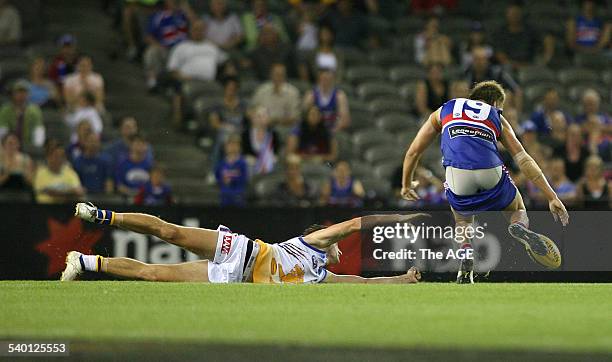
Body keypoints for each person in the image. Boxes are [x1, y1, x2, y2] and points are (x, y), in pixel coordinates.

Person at [401, 80, 569, 284]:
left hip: (457, 174)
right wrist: (552, 196)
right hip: (490, 171)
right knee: (516, 205)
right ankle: (518, 226)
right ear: (496, 103)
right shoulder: (495, 115)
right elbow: (523, 158)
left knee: (462, 219)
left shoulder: (445, 109)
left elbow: (414, 151)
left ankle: (465, 251)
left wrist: (406, 184)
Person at [62, 202, 423, 284]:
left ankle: (84, 262)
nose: (340, 251)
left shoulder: (320, 278)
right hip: (241, 250)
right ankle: (102, 215)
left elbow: (361, 282)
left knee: (156, 274)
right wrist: (400, 218)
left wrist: (402, 280)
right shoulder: (315, 241)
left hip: (235, 279)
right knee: (170, 232)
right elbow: (359, 223)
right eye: (338, 246)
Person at [143, 0, 189, 90]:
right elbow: (148, 36)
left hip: (184, 51)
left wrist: (186, 9)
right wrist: (158, 45)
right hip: (166, 49)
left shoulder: (185, 16)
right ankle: (152, 81)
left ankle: (179, 87)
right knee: (152, 51)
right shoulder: (159, 16)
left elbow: (198, 26)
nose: (175, 2)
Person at [493, 3, 554, 69]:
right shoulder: (500, 33)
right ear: (506, 14)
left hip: (530, 65)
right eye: (512, 13)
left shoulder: (530, 30)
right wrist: (515, 65)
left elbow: (548, 39)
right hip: (509, 67)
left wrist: (546, 58)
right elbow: (500, 56)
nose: (514, 16)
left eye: (517, 13)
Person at [464, 46, 522, 112]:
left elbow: (516, 90)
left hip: (494, 106)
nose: (479, 62)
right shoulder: (467, 73)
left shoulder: (497, 73)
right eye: (477, 59)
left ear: (487, 60)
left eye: (482, 59)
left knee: (507, 94)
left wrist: (517, 113)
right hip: (472, 105)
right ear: (472, 60)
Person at [0, 80, 45, 148]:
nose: (21, 95)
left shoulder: (34, 110)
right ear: (13, 94)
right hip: (9, 145)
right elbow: (3, 130)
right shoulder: (6, 110)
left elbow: (38, 130)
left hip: (28, 145)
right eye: (18, 92)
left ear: (28, 94)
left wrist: (37, 147)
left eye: (24, 92)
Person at [303, 68, 350, 132]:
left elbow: (345, 120)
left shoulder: (339, 96)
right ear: (319, 79)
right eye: (324, 78)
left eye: (328, 79)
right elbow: (305, 118)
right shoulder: (311, 95)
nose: (326, 81)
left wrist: (332, 132)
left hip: (334, 131)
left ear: (333, 79)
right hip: (315, 131)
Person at [241, 106, 280, 175]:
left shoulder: (274, 134)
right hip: (251, 164)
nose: (261, 119)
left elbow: (276, 153)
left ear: (268, 119)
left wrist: (267, 162)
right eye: (258, 116)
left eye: (264, 116)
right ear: (253, 118)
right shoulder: (245, 134)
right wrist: (257, 163)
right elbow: (244, 153)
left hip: (269, 164)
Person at [215, 134, 248, 206]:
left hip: (238, 195)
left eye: (235, 145)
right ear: (225, 147)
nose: (232, 148)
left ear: (239, 147)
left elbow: (244, 178)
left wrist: (232, 179)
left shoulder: (242, 163)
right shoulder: (221, 163)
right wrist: (222, 180)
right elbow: (217, 176)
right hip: (225, 195)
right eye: (230, 145)